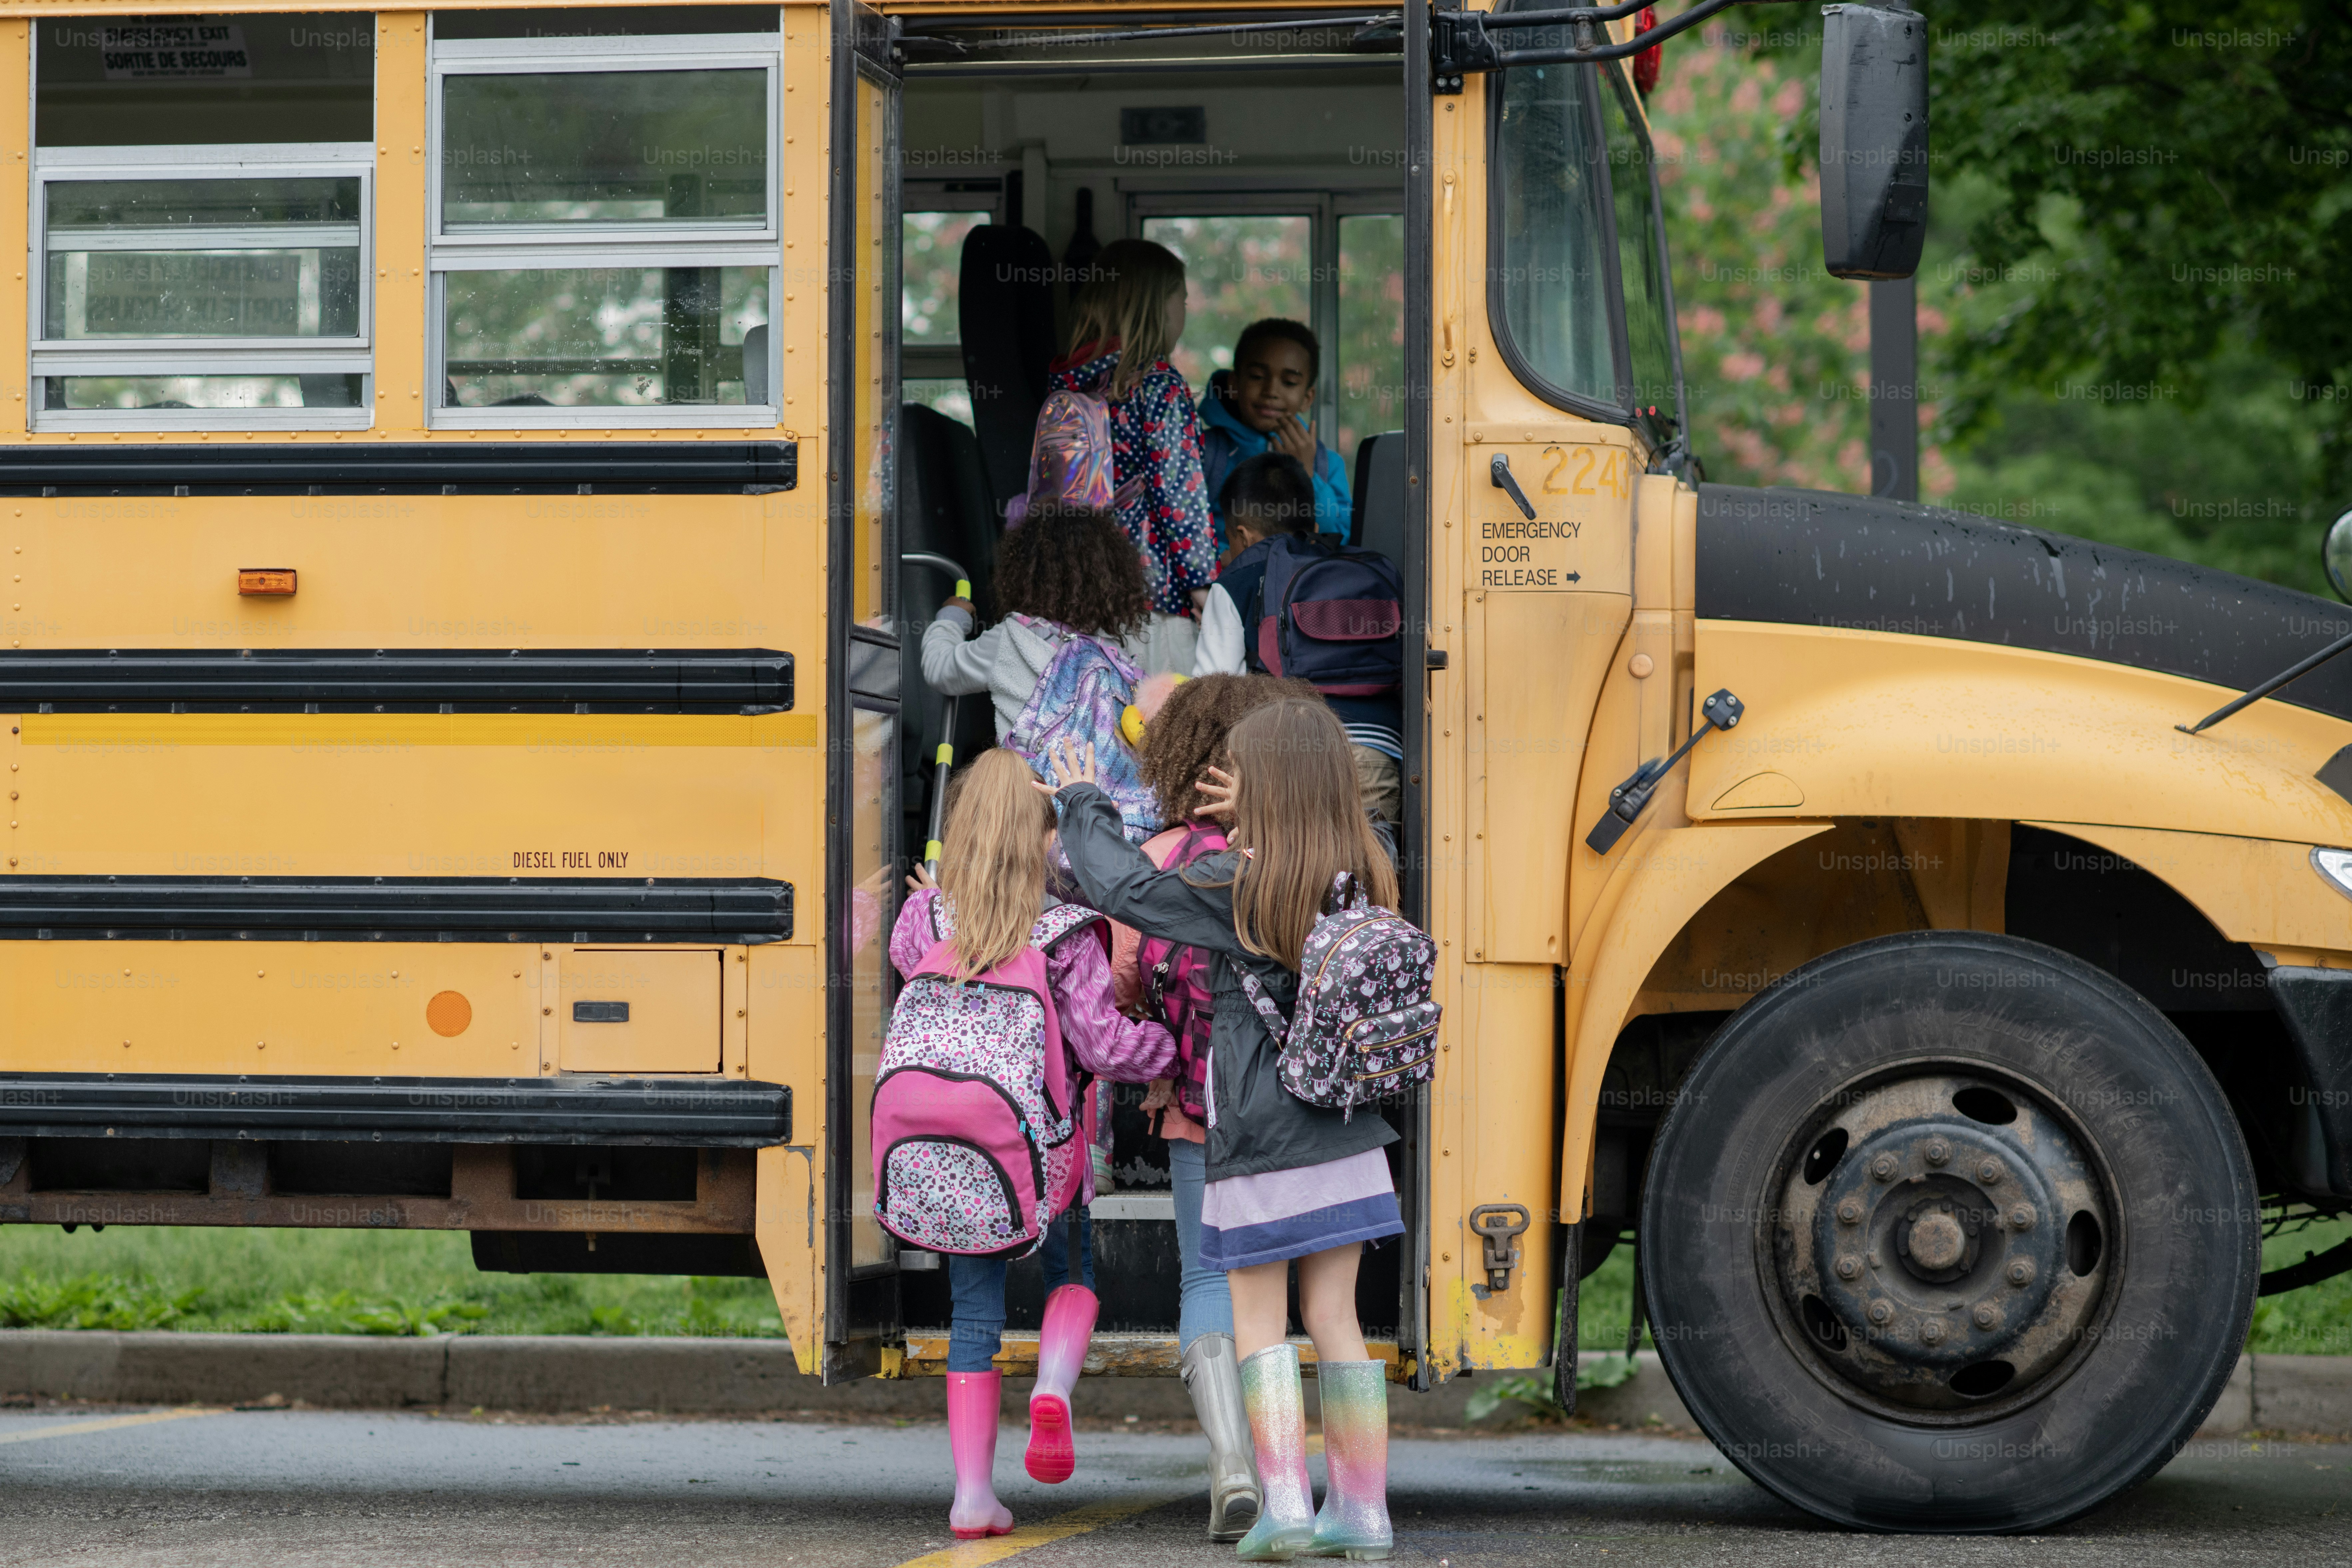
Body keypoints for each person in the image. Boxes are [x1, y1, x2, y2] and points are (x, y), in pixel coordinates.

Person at [1039, 699, 1402, 1563]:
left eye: (1243, 777)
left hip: (1260, 1140)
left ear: (1266, 790)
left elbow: (1123, 886)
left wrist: (1084, 800)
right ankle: (1361, 1510)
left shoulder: (1240, 887)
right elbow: (1314, 812)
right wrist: (1267, 795)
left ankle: (1281, 1504)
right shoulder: (1368, 868)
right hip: (1349, 1134)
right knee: (1335, 1316)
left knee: (1257, 1319)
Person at [891, 748, 1176, 1540]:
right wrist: (1177, 1051)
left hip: (952, 1153)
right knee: (1071, 1269)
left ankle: (971, 1496)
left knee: (971, 1312)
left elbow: (904, 963)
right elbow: (1108, 1048)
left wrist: (930, 903)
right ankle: (1052, 1383)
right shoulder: (1062, 936)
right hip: (1046, 1155)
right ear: (1043, 837)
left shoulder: (925, 919)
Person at [1111, 672, 1323, 1542]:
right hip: (1294, 1106)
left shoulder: (1160, 858)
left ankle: (1228, 1462)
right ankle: (1289, 1482)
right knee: (1286, 1289)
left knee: (1206, 1277)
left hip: (1193, 1102)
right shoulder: (1298, 854)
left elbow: (1125, 980)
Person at [1193, 454, 1405, 825]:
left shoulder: (1235, 583)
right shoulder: (1364, 571)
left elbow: (1211, 697)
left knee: (1296, 876)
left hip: (1289, 762)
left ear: (1242, 535)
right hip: (1376, 752)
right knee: (1369, 873)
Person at [1048, 238, 1217, 675]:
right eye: (1181, 298)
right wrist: (1203, 585)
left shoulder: (1070, 386)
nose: (1186, 309)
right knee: (1163, 730)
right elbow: (1180, 496)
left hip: (1081, 590)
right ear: (1157, 304)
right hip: (1153, 595)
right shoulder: (1159, 383)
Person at [921, 500, 1154, 742]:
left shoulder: (1012, 637)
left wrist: (953, 618)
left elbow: (940, 668)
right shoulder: (1113, 653)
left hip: (1028, 779)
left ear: (1024, 572)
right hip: (1093, 779)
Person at [1197, 317, 1351, 545]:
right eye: (1258, 377)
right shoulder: (1202, 453)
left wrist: (1308, 478)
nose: (1271, 391)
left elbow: (1336, 542)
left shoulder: (1326, 465)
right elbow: (1186, 535)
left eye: (1289, 382)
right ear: (1233, 385)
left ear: (1307, 398)